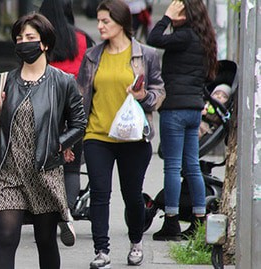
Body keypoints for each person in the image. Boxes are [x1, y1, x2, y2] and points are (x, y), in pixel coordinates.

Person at [0, 13, 87, 269]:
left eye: (30, 37)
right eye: (19, 38)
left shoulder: (63, 82)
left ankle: (63, 219)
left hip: (44, 172)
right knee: (6, 238)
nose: (23, 43)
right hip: (9, 173)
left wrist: (58, 143)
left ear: (44, 44)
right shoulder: (5, 80)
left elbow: (79, 124)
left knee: (45, 240)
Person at [76, 0, 165, 267]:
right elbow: (80, 96)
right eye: (99, 21)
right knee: (100, 194)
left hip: (133, 137)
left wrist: (144, 96)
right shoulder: (93, 55)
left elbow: (159, 93)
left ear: (122, 24)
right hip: (97, 135)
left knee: (132, 196)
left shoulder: (146, 55)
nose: (99, 25)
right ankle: (101, 251)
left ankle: (136, 241)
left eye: (106, 21)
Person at [147, 0, 218, 240]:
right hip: (194, 110)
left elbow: (153, 37)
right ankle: (199, 221)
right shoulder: (204, 39)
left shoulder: (183, 37)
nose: (173, 11)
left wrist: (166, 16)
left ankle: (171, 222)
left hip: (175, 110)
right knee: (192, 166)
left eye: (178, 9)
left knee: (172, 167)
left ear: (186, 14)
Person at [38, 0, 95, 247]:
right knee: (71, 168)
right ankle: (66, 213)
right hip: (76, 109)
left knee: (44, 165)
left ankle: (46, 217)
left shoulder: (40, 39)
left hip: (45, 109)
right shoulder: (83, 39)